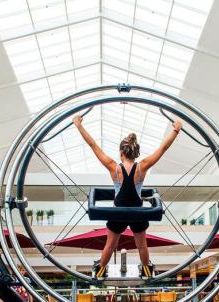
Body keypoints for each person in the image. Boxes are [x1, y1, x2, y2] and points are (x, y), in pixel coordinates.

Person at [73, 115, 182, 279]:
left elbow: (92, 144)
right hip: (138, 212)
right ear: (134, 153)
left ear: (121, 153)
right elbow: (163, 149)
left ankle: (101, 270)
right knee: (141, 246)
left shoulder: (113, 167)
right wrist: (175, 130)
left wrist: (79, 126)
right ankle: (146, 270)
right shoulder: (142, 167)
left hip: (118, 212)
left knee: (110, 245)